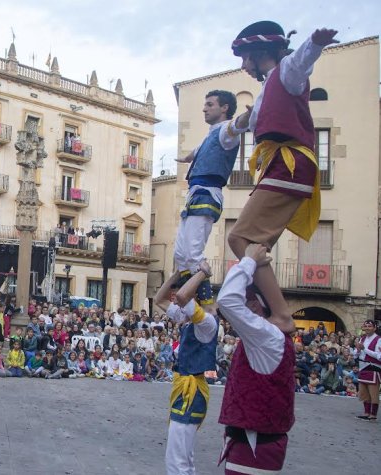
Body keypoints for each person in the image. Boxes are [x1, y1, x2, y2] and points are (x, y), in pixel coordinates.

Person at [226, 22, 339, 335]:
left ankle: (279, 313)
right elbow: (253, 122)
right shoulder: (270, 87)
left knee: (239, 238)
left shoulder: (286, 72)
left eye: (245, 57)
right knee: (252, 244)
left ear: (260, 51)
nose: (243, 65)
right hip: (282, 164)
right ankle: (265, 305)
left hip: (289, 164)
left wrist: (315, 43)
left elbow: (301, 61)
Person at [216, 244, 297, 473]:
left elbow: (227, 300)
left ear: (254, 305)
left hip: (256, 447)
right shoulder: (267, 336)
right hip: (253, 442)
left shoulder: (266, 336)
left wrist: (249, 260)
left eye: (246, 301)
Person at [174, 90, 247, 305]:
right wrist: (187, 158)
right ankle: (191, 303)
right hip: (195, 195)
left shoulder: (225, 131)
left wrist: (250, 115)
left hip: (207, 193)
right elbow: (195, 152)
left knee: (193, 253)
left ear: (224, 108)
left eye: (209, 104)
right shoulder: (211, 135)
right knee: (180, 254)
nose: (204, 109)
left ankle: (207, 307)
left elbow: (237, 126)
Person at [154, 264, 218, 475]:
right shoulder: (189, 320)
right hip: (187, 391)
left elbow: (181, 297)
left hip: (190, 393)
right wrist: (176, 273)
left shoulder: (207, 323)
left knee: (176, 460)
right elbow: (159, 299)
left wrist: (201, 273)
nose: (176, 299)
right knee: (184, 457)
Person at [355, 319, 380, 421]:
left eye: (370, 326)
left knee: (373, 393)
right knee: (363, 392)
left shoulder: (379, 340)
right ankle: (366, 413)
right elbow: (356, 354)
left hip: (373, 368)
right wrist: (357, 351)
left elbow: (379, 356)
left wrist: (364, 349)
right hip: (362, 367)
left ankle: (373, 415)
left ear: (374, 328)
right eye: (365, 326)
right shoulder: (362, 338)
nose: (367, 328)